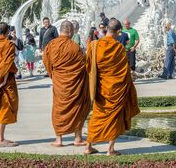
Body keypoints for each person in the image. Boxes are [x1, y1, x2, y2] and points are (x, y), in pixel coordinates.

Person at [85, 18, 140, 156]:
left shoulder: (94, 45)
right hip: (115, 90)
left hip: (101, 89)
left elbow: (88, 66)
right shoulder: (119, 48)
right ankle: (110, 150)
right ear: (118, 31)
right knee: (115, 117)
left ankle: (88, 147)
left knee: (97, 116)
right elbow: (124, 71)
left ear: (107, 29)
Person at [43, 21, 91, 148]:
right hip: (74, 85)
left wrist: (54, 75)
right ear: (70, 31)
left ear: (61, 31)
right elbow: (85, 65)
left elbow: (46, 61)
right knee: (78, 108)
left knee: (58, 109)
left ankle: (58, 139)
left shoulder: (51, 45)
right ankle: (78, 138)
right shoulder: (75, 47)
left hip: (59, 84)